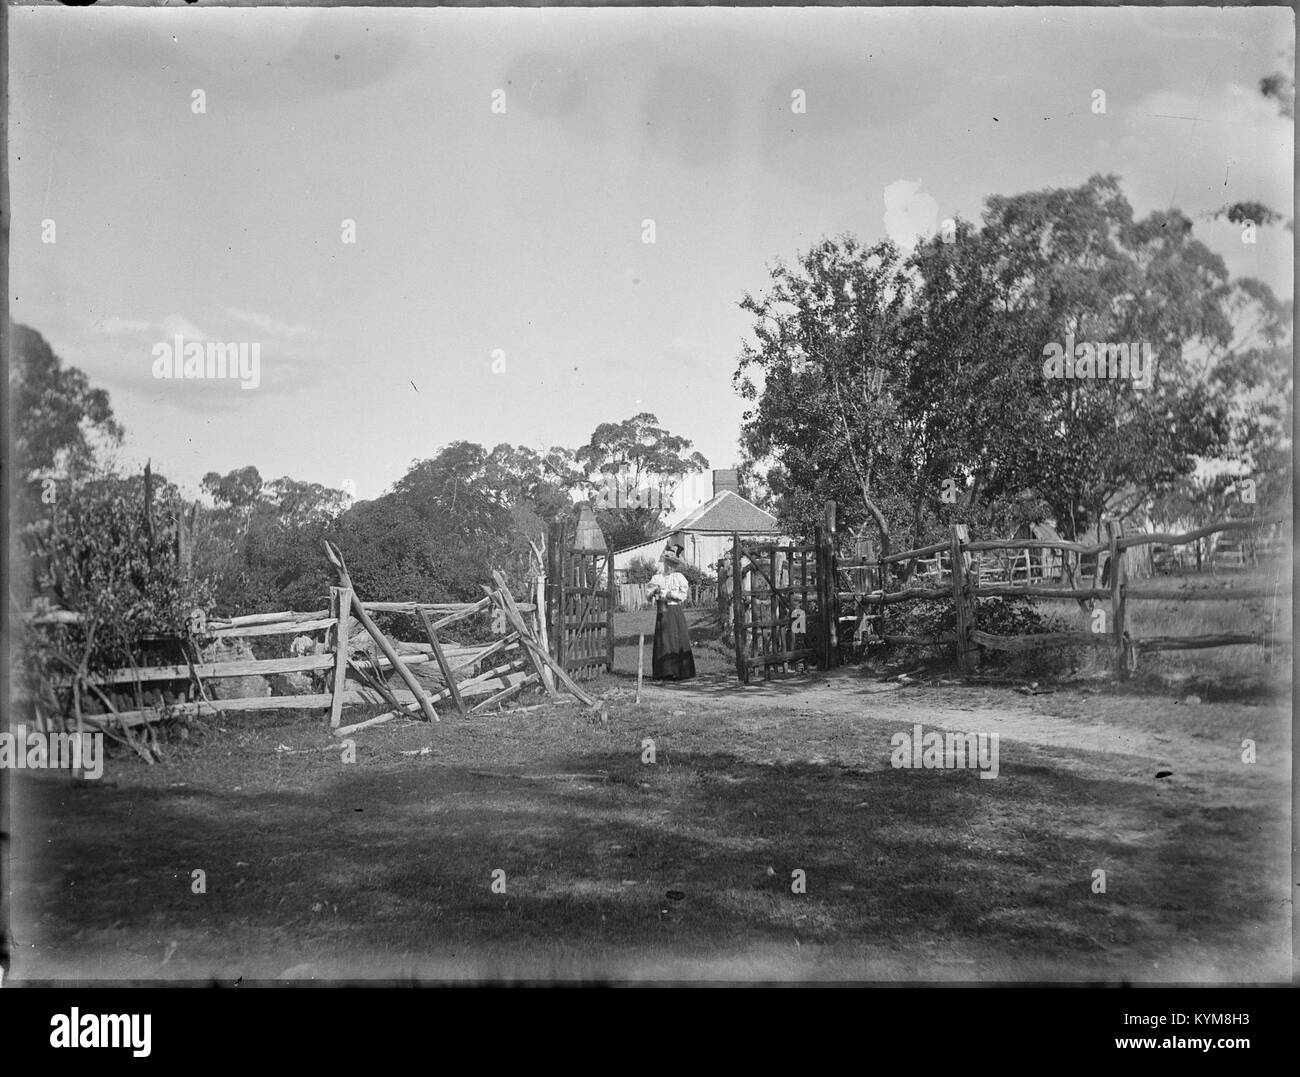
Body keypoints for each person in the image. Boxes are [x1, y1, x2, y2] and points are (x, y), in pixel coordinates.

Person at [647, 541, 696, 681]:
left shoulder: (679, 578)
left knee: (676, 637)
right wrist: (655, 591)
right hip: (662, 610)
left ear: (675, 566)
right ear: (664, 563)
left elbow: (683, 596)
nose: (669, 566)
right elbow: (648, 595)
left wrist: (671, 595)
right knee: (664, 639)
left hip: (675, 610)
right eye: (668, 563)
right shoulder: (658, 578)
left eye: (673, 564)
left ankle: (680, 671)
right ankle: (664, 671)